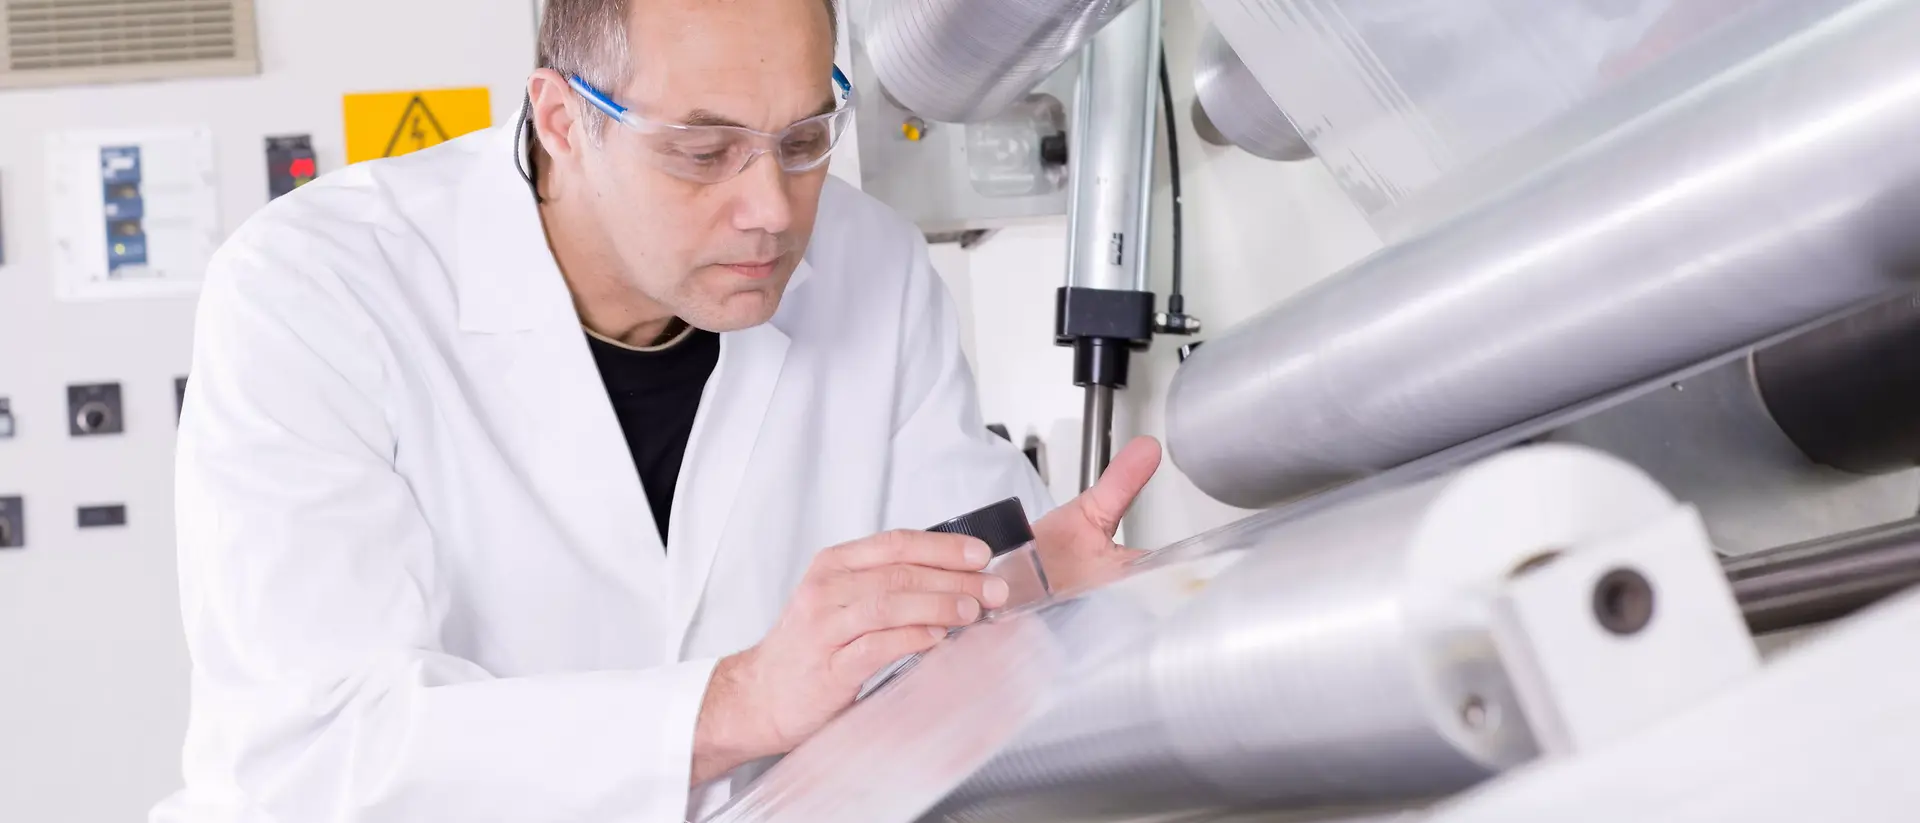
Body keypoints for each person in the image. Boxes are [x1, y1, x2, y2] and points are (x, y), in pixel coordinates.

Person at [151, 0, 1162, 820]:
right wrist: (734, 702)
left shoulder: (872, 266)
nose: (771, 206)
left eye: (805, 137)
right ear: (560, 119)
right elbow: (321, 754)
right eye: (701, 150)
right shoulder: (316, 286)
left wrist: (1031, 595)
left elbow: (949, 582)